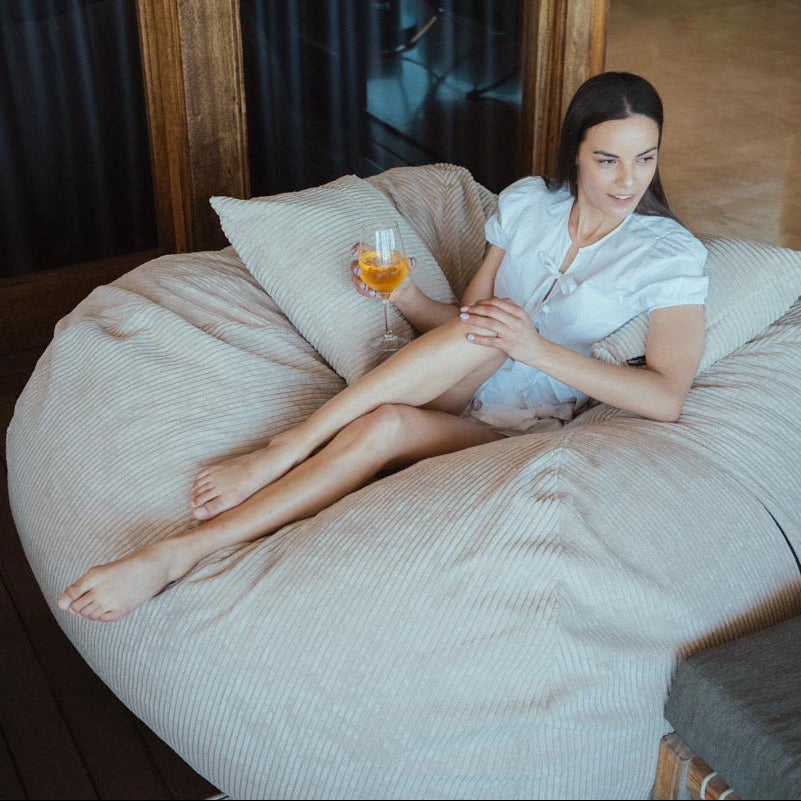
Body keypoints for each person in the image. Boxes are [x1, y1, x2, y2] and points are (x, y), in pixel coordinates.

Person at [57, 71, 708, 622]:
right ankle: (288, 446)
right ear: (574, 151)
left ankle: (180, 551)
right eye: (608, 158)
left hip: (512, 425)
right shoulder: (529, 205)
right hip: (456, 368)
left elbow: (665, 396)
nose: (627, 181)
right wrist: (404, 296)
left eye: (644, 157)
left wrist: (533, 348)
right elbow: (457, 320)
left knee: (387, 422)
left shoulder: (668, 256)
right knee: (479, 325)